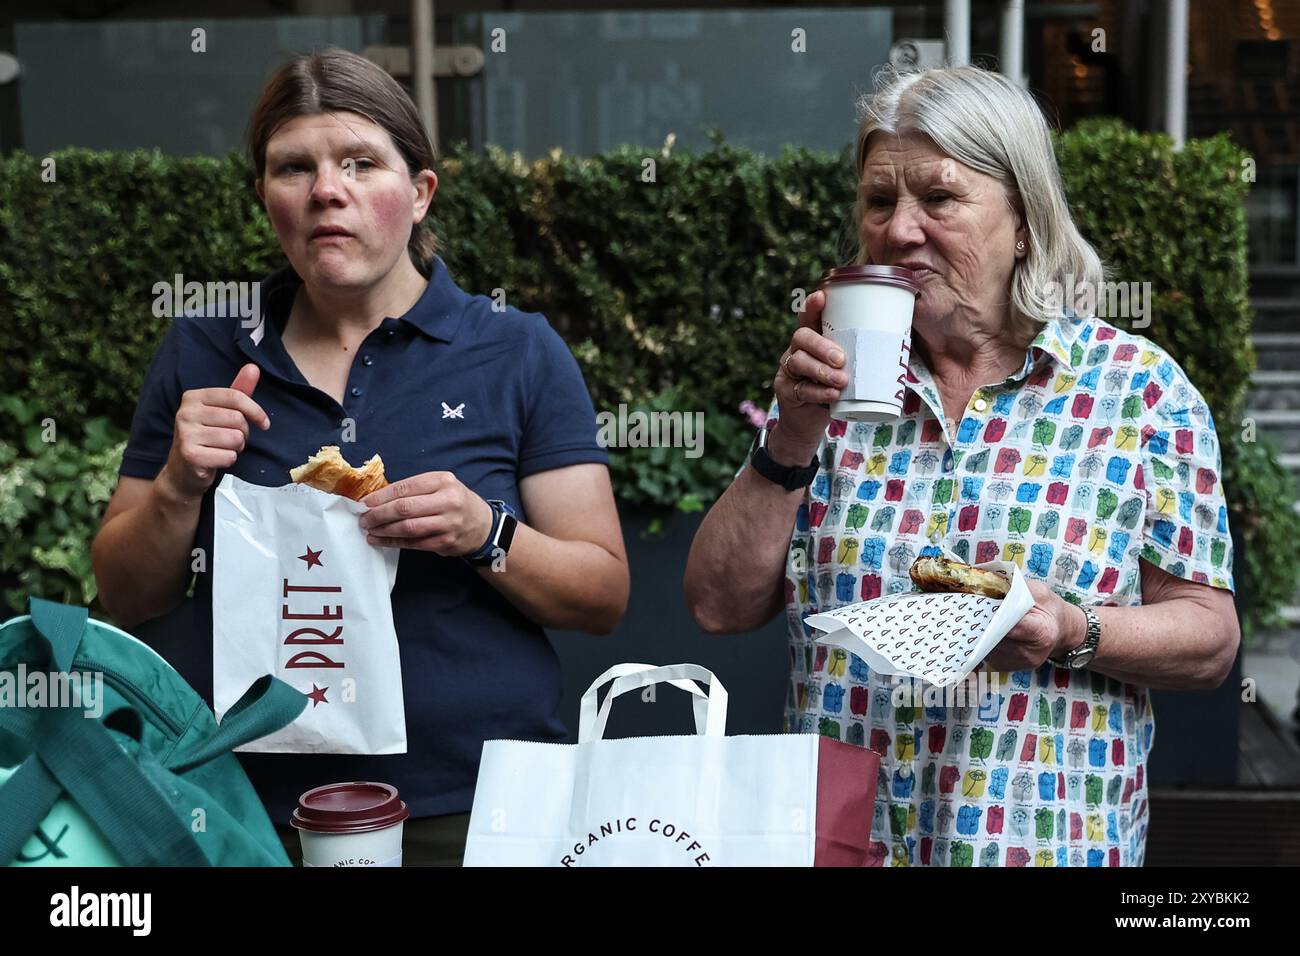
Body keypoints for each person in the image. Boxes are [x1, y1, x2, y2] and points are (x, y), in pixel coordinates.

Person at [684, 66, 1240, 867]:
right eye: (880, 201)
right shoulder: (835, 389)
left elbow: (1209, 638)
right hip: (847, 846)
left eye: (939, 198)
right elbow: (717, 606)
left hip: (1035, 845)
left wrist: (1073, 630)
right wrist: (792, 436)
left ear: (1025, 221)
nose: (900, 229)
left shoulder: (1139, 393)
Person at [92, 48, 628, 866]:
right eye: (293, 168)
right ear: (266, 197)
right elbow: (124, 595)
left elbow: (602, 594)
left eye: (360, 163)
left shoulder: (515, 350)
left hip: (476, 807)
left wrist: (485, 532)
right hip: (242, 809)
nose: (326, 190)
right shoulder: (203, 349)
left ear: (420, 193)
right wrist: (177, 486)